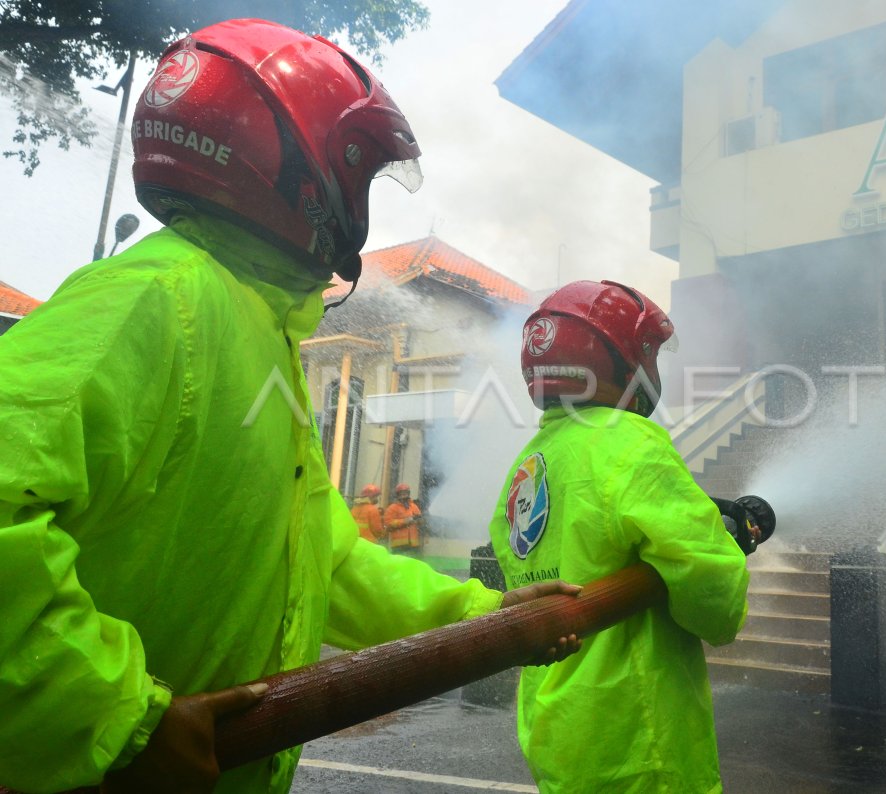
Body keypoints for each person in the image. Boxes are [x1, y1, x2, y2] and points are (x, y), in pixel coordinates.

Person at [0, 19, 577, 794]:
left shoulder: (251, 330)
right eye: (358, 174)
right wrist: (119, 717)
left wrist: (489, 618)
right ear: (295, 170)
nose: (357, 205)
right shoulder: (156, 299)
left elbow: (325, 566)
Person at [487, 280, 751, 793]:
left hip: (558, 725)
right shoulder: (630, 444)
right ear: (622, 361)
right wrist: (727, 547)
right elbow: (714, 595)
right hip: (637, 735)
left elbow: (588, 539)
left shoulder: (531, 463)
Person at [384, 482, 422, 553]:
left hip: (413, 544)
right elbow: (388, 524)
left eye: (406, 493)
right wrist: (405, 521)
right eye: (401, 493)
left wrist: (419, 520)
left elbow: (420, 521)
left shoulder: (414, 506)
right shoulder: (392, 508)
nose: (404, 495)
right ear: (398, 495)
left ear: (409, 493)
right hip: (399, 545)